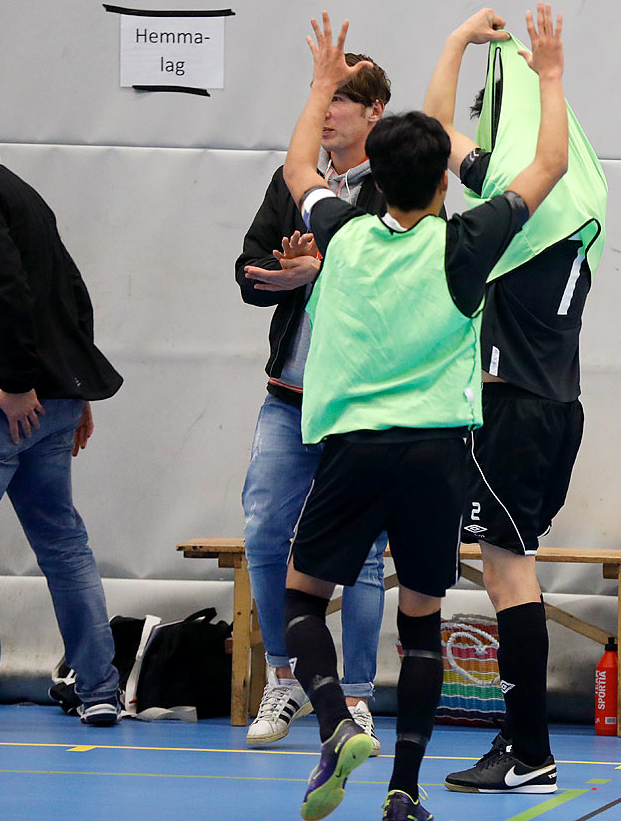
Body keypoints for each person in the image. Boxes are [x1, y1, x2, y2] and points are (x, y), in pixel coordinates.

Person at [278, 6, 568, 821]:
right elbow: (547, 164)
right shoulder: (464, 243)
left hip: (352, 449)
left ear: (368, 166)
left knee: (301, 601)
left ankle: (336, 721)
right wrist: (547, 72)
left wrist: (321, 84)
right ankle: (404, 792)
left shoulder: (341, 234)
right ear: (444, 180)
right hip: (438, 458)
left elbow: (300, 164)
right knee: (422, 627)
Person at [421, 8, 606, 794]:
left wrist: (457, 42)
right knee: (513, 569)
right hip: (560, 410)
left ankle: (528, 751)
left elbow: (431, 137)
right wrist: (550, 78)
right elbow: (552, 154)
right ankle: (525, 745)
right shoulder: (575, 216)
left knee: (506, 578)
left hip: (513, 412)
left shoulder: (508, 211)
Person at [0, 89, 124, 731]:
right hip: (52, 399)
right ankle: (100, 688)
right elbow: (71, 289)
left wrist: (18, 381)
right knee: (62, 542)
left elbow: (4, 285)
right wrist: (74, 387)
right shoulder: (18, 190)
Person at [234, 54, 392, 750]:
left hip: (360, 403)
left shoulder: (398, 184)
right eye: (319, 100)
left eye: (340, 101)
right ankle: (286, 677)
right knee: (265, 531)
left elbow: (393, 280)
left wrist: (320, 268)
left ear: (373, 112)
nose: (325, 114)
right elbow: (248, 270)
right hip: (289, 395)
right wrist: (286, 274)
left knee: (358, 553)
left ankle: (356, 695)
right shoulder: (289, 181)